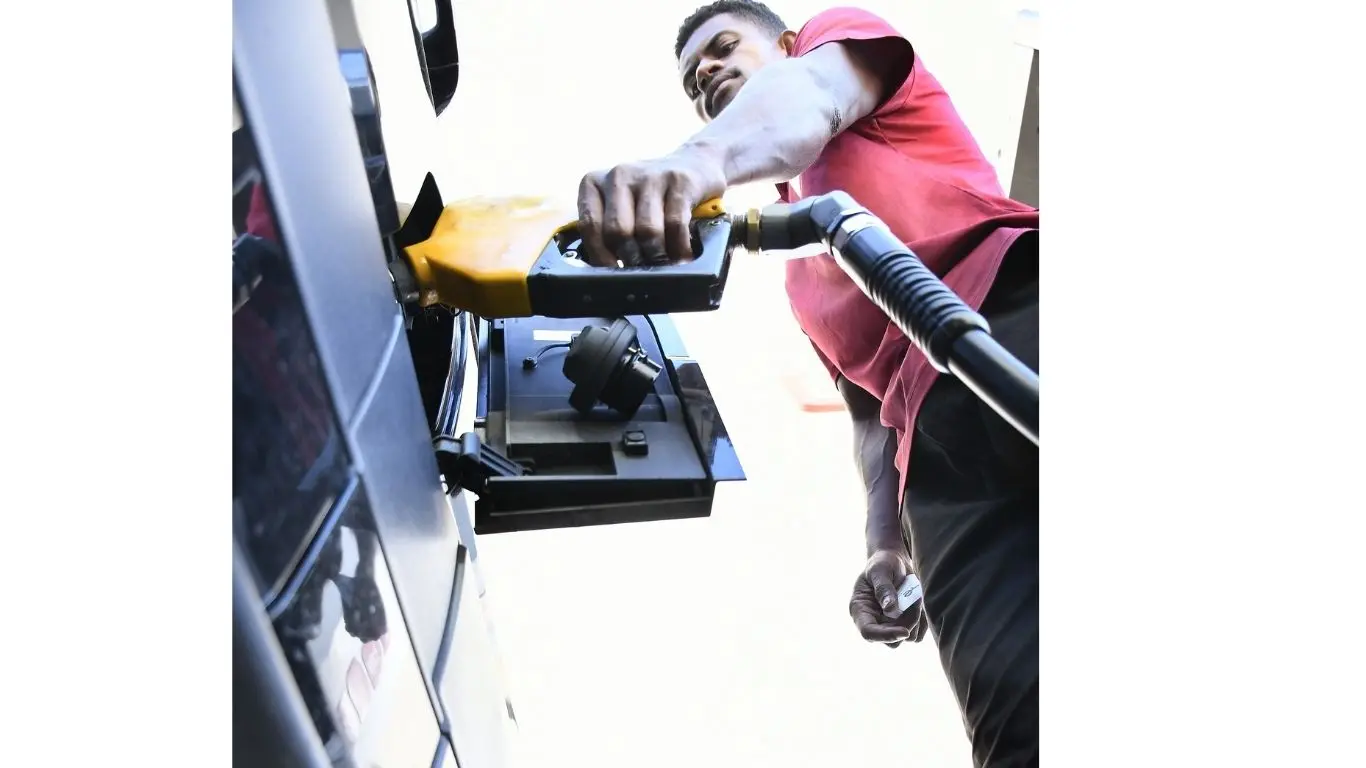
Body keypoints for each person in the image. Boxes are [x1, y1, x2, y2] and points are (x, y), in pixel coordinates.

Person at [576, 2, 1039, 766]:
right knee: (1015, 733)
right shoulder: (801, 273)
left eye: (723, 50)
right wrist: (887, 548)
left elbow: (809, 98)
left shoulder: (836, 52)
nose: (709, 76)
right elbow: (868, 416)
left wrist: (696, 163)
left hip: (1012, 312)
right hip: (945, 472)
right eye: (695, 83)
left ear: (786, 44)